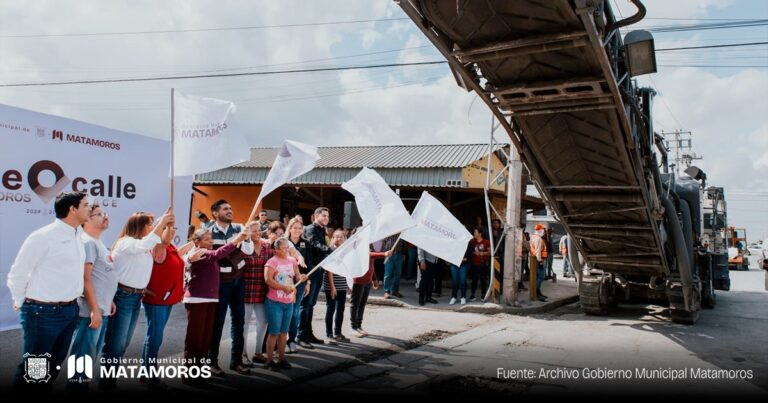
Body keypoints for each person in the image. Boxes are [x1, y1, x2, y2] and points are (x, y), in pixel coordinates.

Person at [8, 192, 89, 391]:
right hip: (42, 314)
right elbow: (18, 274)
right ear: (72, 209)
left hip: (69, 312)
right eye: (86, 205)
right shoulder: (43, 236)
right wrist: (22, 301)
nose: (89, 209)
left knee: (52, 368)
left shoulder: (78, 235)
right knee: (35, 372)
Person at [101, 208, 173, 390]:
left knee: (122, 343)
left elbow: (160, 242)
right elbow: (148, 243)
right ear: (139, 226)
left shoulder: (143, 245)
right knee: (116, 343)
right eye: (150, 224)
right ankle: (107, 383)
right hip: (123, 296)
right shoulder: (127, 242)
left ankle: (109, 380)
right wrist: (162, 222)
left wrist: (167, 224)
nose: (152, 227)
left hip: (135, 297)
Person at [182, 227, 250, 385]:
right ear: (197, 241)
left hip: (211, 300)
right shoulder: (198, 253)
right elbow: (218, 253)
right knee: (195, 341)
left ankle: (198, 373)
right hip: (197, 300)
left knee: (205, 339)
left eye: (210, 238)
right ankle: (189, 375)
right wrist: (237, 240)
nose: (210, 241)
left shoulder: (207, 253)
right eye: (206, 239)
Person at [67, 205, 116, 394]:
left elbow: (101, 276)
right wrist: (95, 309)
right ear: (87, 219)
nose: (106, 217)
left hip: (100, 309)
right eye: (100, 214)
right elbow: (85, 278)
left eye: (105, 213)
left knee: (90, 356)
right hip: (90, 312)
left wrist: (108, 300)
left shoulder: (98, 243)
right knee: (83, 358)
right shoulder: (87, 242)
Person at [207, 199, 254, 376]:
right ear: (215, 213)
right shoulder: (208, 232)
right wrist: (236, 241)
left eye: (231, 208)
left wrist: (246, 236)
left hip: (238, 280)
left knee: (239, 321)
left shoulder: (239, 228)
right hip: (219, 283)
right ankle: (212, 362)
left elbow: (248, 251)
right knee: (217, 322)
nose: (230, 210)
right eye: (225, 209)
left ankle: (236, 361)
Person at [141, 224, 191, 389]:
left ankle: (144, 372)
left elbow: (178, 253)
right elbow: (163, 241)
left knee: (153, 336)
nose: (173, 230)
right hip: (157, 301)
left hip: (167, 300)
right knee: (155, 338)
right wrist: (167, 222)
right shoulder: (158, 246)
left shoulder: (170, 246)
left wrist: (193, 243)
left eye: (175, 227)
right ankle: (151, 377)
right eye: (169, 228)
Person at [263, 238, 307, 371]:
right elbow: (268, 280)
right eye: (284, 248)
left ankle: (282, 358)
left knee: (284, 332)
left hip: (288, 302)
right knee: (274, 332)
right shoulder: (271, 262)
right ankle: (270, 361)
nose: (287, 250)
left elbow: (297, 276)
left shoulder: (292, 261)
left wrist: (302, 278)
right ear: (276, 250)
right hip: (274, 302)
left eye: (287, 248)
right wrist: (282, 287)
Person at [298, 207, 332, 346]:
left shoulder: (323, 230)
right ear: (315, 216)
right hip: (310, 271)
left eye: (327, 216)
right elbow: (314, 243)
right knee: (305, 305)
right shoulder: (310, 229)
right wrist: (330, 250)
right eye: (323, 215)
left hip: (319, 271)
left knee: (311, 305)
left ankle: (308, 333)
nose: (326, 218)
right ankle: (301, 336)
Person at [242, 223, 272, 366]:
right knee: (245, 324)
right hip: (246, 289)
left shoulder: (267, 247)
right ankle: (242, 353)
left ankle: (258, 352)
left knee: (264, 321)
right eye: (254, 231)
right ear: (248, 232)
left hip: (262, 290)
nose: (258, 233)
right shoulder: (243, 247)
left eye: (259, 230)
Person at [285, 218, 312, 352]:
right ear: (289, 229)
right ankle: (280, 340)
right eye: (294, 227)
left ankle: (291, 340)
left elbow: (309, 265)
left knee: (295, 311)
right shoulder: (283, 242)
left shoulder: (306, 243)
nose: (297, 230)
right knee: (284, 310)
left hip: (300, 281)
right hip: (283, 281)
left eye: (299, 228)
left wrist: (308, 282)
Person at [351, 247, 390, 336]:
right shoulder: (357, 249)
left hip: (367, 282)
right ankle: (354, 327)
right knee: (355, 305)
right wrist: (384, 254)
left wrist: (374, 279)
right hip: (358, 281)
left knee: (362, 304)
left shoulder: (369, 246)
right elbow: (370, 255)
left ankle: (359, 326)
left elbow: (371, 265)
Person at [324, 230, 350, 343]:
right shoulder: (331, 251)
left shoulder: (347, 250)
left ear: (345, 238)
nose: (338, 239)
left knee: (340, 309)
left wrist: (349, 284)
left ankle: (338, 332)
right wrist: (332, 287)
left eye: (340, 237)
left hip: (343, 284)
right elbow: (329, 271)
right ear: (333, 238)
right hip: (332, 284)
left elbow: (349, 268)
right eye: (336, 237)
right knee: (331, 308)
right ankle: (329, 333)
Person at [469, 228, 491, 302]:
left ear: (480, 233)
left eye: (475, 232)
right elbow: (470, 251)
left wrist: (483, 253)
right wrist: (474, 253)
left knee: (483, 280)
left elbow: (490, 252)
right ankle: (472, 294)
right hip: (474, 264)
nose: (474, 233)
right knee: (474, 280)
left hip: (483, 264)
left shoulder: (486, 242)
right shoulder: (472, 242)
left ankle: (483, 294)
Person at [449, 241, 472, 305]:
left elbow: (470, 251)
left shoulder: (467, 240)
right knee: (455, 281)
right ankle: (453, 297)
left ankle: (463, 297)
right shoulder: (452, 239)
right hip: (454, 262)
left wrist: (465, 257)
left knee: (463, 280)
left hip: (464, 263)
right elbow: (449, 249)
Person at [382, 234, 405, 299]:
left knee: (398, 274)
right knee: (388, 274)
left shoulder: (402, 230)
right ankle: (386, 292)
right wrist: (384, 253)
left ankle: (395, 291)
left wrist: (403, 253)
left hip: (399, 254)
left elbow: (404, 242)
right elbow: (384, 242)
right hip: (389, 254)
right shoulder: (389, 230)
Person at [530, 224, 548, 301]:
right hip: (538, 261)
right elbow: (538, 252)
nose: (544, 231)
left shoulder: (533, 237)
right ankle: (536, 293)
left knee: (537, 278)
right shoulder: (538, 239)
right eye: (543, 230)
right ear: (540, 230)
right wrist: (540, 261)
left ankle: (538, 292)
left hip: (535, 260)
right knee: (540, 278)